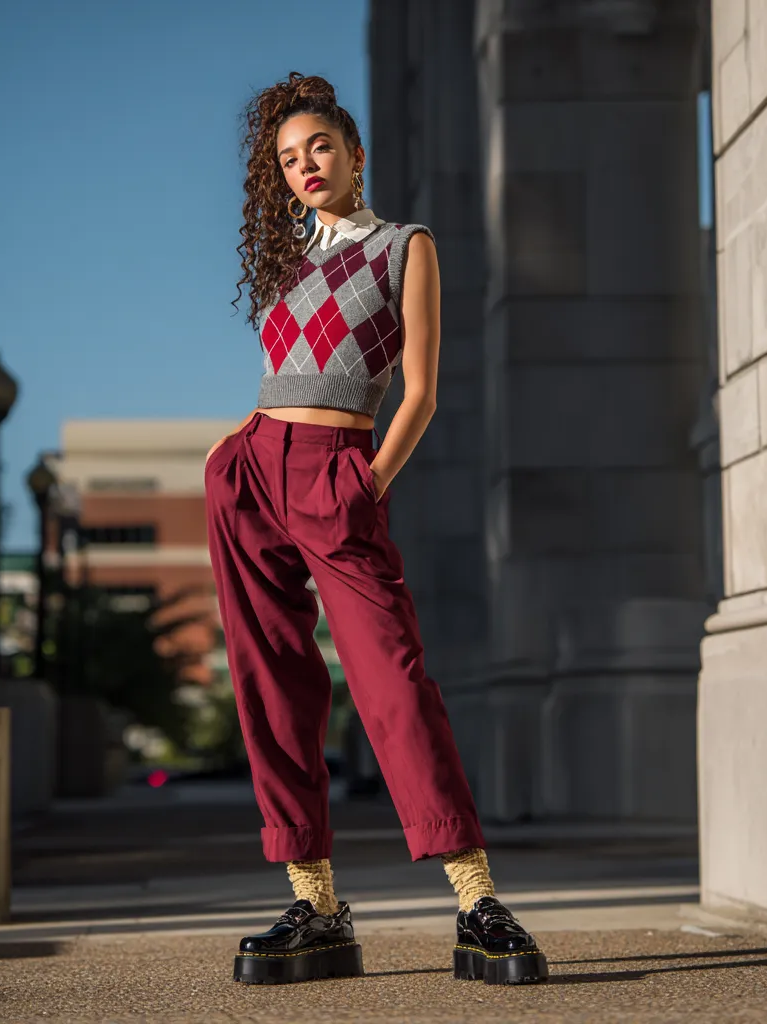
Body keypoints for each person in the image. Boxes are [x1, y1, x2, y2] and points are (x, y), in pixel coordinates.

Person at [204, 71, 548, 989]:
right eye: (287, 158)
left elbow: (422, 391)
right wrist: (235, 446)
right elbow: (286, 376)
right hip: (249, 475)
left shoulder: (405, 246)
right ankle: (314, 907)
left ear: (355, 153)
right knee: (270, 683)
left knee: (393, 680)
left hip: (339, 476)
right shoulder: (284, 259)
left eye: (319, 147)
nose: (305, 165)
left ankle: (476, 900)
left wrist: (369, 484)